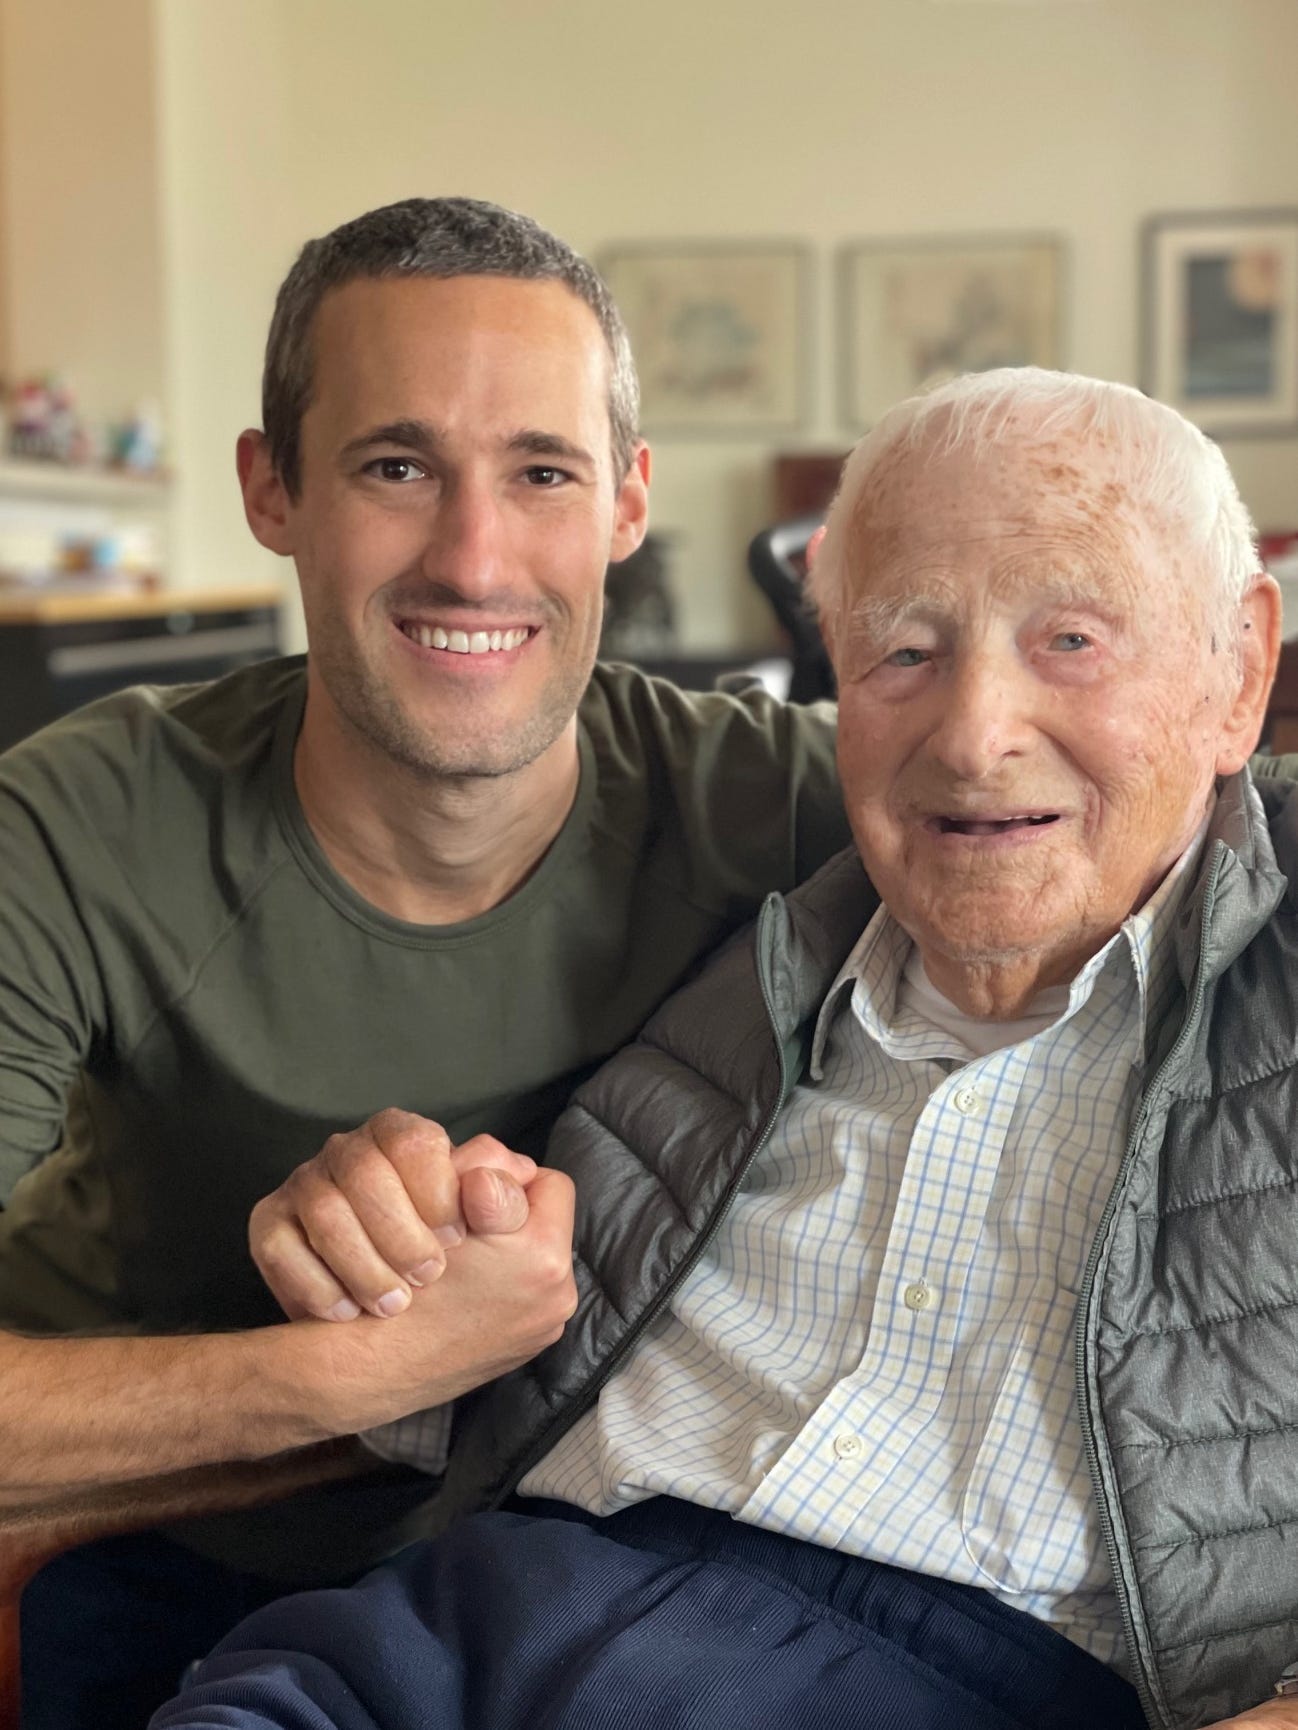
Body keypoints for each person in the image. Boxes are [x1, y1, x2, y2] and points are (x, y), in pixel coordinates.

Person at [159, 368, 1298, 1730]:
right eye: (902, 653)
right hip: (472, 1613)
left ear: (1238, 670)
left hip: (964, 1673)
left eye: (1070, 639)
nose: (974, 734)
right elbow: (472, 1372)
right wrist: (387, 1256)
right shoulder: (739, 954)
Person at [0, 197, 852, 1727]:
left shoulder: (772, 799)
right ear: (274, 490)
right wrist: (345, 1380)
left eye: (541, 473)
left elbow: (1167, 818)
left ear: (626, 502)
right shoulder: (75, 821)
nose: (473, 558)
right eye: (396, 467)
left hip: (566, 1555)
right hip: (140, 1539)